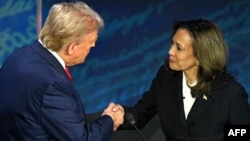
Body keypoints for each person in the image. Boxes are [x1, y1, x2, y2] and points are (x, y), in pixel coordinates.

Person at [0, 1, 124, 141]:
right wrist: (110, 120)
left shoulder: (18, 56)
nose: (93, 45)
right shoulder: (52, 84)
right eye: (90, 43)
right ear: (72, 48)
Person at [117, 19, 250, 141]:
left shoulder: (231, 94)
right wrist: (119, 116)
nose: (170, 51)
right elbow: (142, 113)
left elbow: (242, 133)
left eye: (178, 48)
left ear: (200, 56)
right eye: (172, 44)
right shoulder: (165, 78)